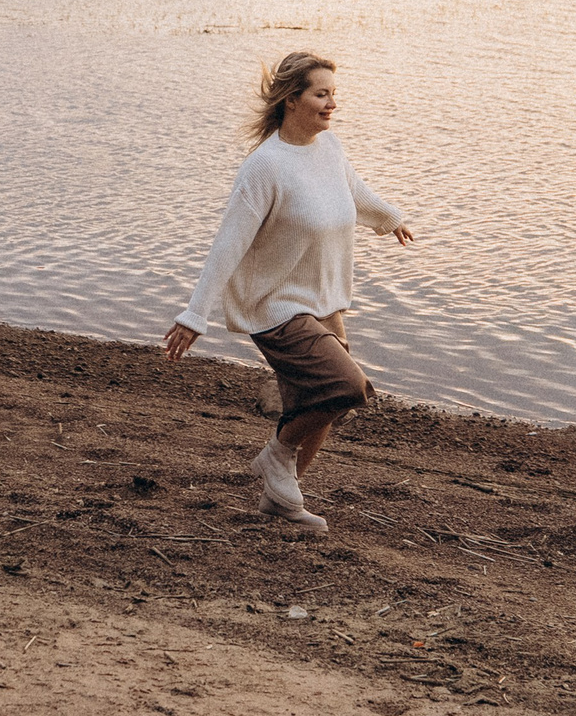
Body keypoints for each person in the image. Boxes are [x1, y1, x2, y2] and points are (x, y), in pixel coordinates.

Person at [163, 51, 415, 531]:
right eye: (322, 94)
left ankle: (282, 499)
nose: (331, 104)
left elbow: (354, 192)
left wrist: (391, 218)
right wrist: (196, 314)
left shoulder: (330, 148)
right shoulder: (265, 167)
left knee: (318, 405)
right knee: (347, 387)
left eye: (333, 94)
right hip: (274, 305)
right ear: (291, 99)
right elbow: (228, 245)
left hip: (324, 300)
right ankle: (277, 458)